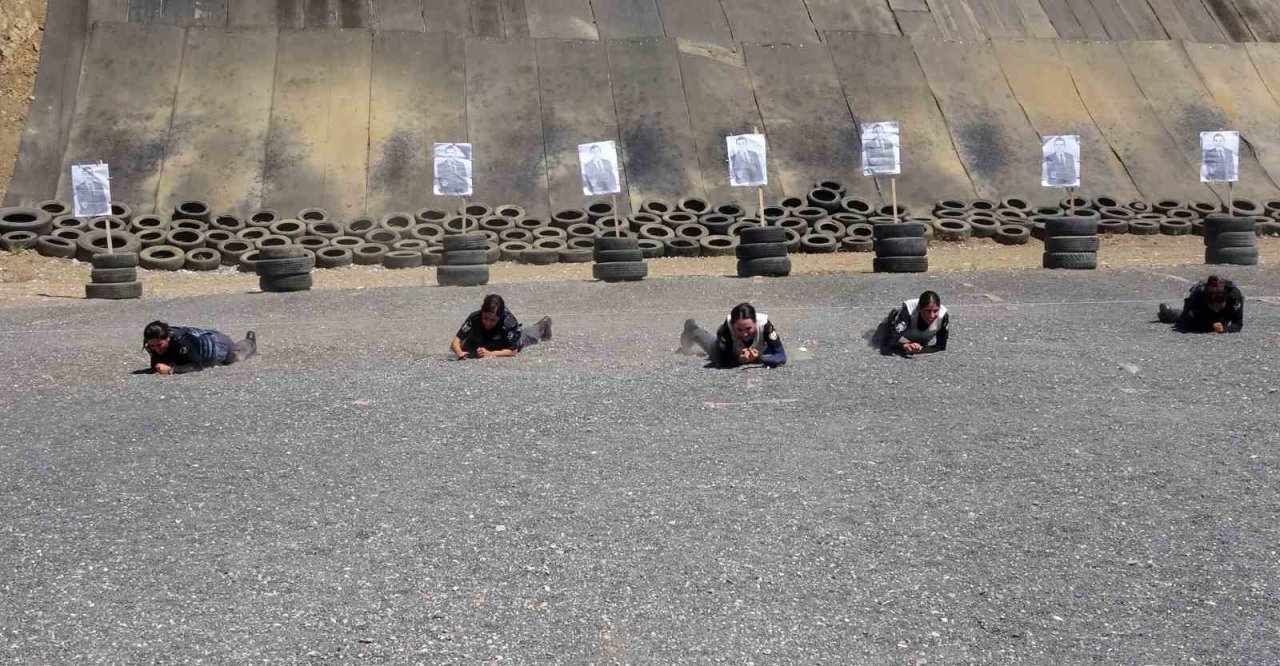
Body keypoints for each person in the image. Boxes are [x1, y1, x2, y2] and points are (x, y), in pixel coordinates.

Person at [679, 302, 786, 368]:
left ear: (755, 323)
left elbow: (781, 356)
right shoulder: (726, 329)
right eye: (739, 329)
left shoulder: (765, 326)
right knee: (712, 348)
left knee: (769, 351)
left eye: (748, 329)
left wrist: (759, 358)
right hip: (731, 350)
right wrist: (740, 360)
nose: (744, 334)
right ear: (733, 326)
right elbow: (722, 361)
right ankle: (692, 329)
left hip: (758, 350)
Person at [451, 294, 552, 359]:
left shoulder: (508, 322)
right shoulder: (474, 317)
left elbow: (513, 351)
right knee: (466, 345)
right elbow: (456, 341)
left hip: (505, 342)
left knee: (528, 335)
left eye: (493, 320)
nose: (488, 323)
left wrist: (490, 354)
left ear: (499, 317)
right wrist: (459, 353)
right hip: (485, 341)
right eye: (485, 318)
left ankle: (543, 325)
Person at [143, 321, 257, 374]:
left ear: (168, 337)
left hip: (218, 345)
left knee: (236, 356)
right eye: (152, 346)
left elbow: (197, 366)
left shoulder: (183, 342)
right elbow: (156, 363)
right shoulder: (152, 343)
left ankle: (250, 342)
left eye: (160, 345)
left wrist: (171, 369)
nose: (156, 349)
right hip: (199, 341)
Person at [1157, 275, 1243, 333]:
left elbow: (1237, 324)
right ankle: (1167, 312)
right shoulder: (1198, 294)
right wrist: (1204, 327)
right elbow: (1184, 322)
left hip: (1225, 314)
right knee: (1181, 321)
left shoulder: (1234, 296)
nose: (1216, 309)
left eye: (1219, 305)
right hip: (1202, 313)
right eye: (1212, 305)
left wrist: (1225, 329)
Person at [875, 291, 950, 356]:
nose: (932, 316)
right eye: (928, 311)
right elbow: (892, 339)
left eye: (935, 311)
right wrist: (905, 345)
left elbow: (941, 345)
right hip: (897, 333)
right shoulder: (908, 310)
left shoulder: (942, 314)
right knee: (880, 341)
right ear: (919, 309)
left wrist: (919, 348)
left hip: (916, 337)